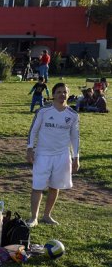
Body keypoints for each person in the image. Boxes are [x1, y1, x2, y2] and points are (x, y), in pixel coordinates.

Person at [26, 82, 80, 227]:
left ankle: (47, 215)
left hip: (62, 155)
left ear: (68, 95)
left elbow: (75, 137)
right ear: (53, 95)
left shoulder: (73, 115)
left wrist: (76, 157)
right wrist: (30, 148)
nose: (62, 95)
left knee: (55, 187)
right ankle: (33, 218)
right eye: (59, 92)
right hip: (43, 154)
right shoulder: (43, 111)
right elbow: (33, 130)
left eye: (65, 92)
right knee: (37, 186)